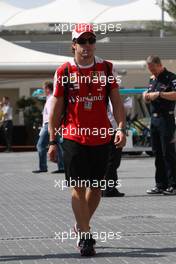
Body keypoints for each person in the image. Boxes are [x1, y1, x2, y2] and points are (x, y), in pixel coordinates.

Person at [48, 23, 126, 256]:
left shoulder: (106, 68)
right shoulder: (64, 71)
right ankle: (85, 236)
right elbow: (56, 105)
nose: (87, 46)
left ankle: (81, 224)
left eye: (91, 41)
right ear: (73, 45)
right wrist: (52, 140)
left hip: (102, 136)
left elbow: (116, 100)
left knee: (97, 188)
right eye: (82, 41)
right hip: (73, 136)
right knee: (78, 188)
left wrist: (121, 128)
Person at [143, 56, 176, 195]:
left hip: (166, 119)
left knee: (168, 153)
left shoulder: (171, 77)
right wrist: (145, 94)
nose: (152, 71)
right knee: (157, 153)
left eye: (153, 68)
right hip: (154, 120)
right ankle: (160, 184)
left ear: (159, 64)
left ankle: (173, 185)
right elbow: (149, 93)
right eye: (149, 69)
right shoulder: (153, 79)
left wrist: (160, 94)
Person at [32, 81, 64, 173]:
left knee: (40, 145)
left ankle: (43, 167)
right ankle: (61, 167)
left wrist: (50, 127)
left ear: (47, 89)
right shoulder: (50, 98)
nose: (43, 91)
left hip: (49, 124)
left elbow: (52, 115)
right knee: (58, 145)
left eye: (43, 89)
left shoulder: (50, 99)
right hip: (51, 124)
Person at [102, 100, 125, 197]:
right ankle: (108, 188)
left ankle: (110, 187)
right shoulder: (107, 96)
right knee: (112, 160)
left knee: (112, 161)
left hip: (112, 128)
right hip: (111, 129)